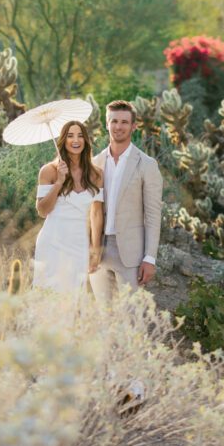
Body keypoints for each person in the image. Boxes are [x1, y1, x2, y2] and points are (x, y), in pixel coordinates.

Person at [89, 100, 163, 302]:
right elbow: (89, 209)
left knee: (130, 318)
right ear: (106, 123)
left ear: (133, 126)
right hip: (99, 250)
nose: (118, 127)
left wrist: (149, 258)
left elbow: (153, 215)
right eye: (114, 121)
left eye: (124, 122)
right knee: (103, 316)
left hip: (131, 254)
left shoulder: (147, 164)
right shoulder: (95, 163)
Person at [33, 120, 105, 293]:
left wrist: (95, 249)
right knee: (47, 296)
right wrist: (59, 182)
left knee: (73, 300)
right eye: (70, 135)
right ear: (63, 140)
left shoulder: (96, 174)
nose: (75, 140)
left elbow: (96, 214)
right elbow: (42, 211)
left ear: (86, 141)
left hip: (79, 243)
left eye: (80, 135)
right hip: (52, 242)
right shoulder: (48, 171)